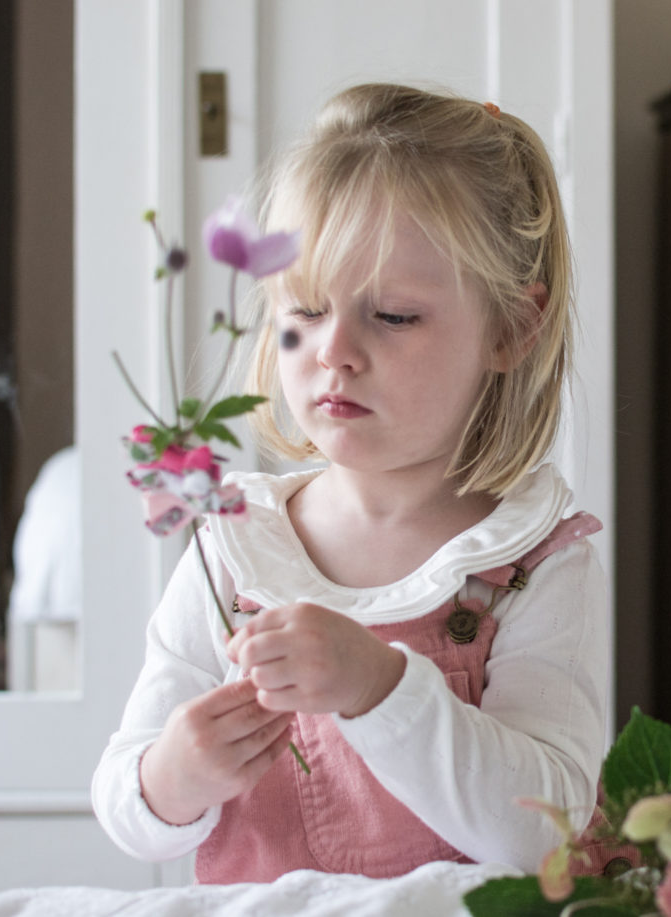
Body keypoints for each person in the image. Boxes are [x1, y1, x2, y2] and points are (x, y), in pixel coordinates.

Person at [92, 83, 610, 883]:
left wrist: (381, 687)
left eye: (394, 315)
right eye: (303, 311)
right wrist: (174, 775)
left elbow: (551, 837)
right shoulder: (236, 544)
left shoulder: (534, 563)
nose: (334, 351)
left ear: (512, 327)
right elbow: (127, 808)